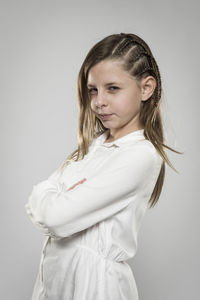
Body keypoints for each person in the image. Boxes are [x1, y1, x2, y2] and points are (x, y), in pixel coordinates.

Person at [25, 32, 183, 300]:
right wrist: (49, 197)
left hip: (96, 288)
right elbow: (40, 204)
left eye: (113, 88)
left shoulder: (140, 155)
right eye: (92, 90)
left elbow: (54, 217)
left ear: (146, 88)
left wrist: (54, 193)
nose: (99, 101)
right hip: (56, 284)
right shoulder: (94, 145)